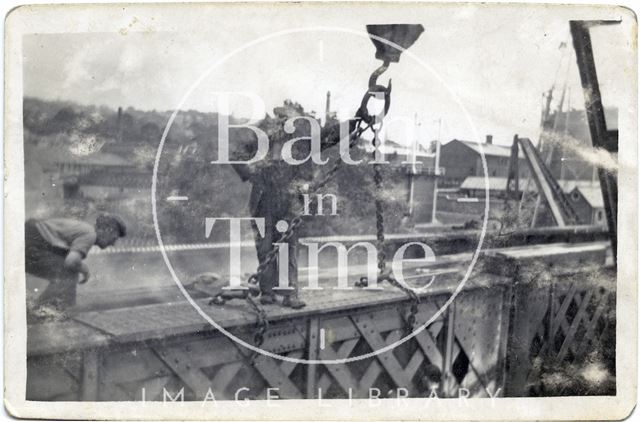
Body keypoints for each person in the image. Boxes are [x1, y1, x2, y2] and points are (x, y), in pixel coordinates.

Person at [232, 101, 354, 309]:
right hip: (264, 201)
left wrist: (355, 121)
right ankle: (267, 292)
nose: (283, 124)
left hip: (289, 202)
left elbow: (328, 137)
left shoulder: (301, 146)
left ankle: (290, 295)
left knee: (288, 248)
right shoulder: (260, 143)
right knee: (264, 247)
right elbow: (235, 156)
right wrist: (250, 174)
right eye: (279, 120)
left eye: (286, 120)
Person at [25, 214, 126, 310]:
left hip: (31, 238)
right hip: (32, 240)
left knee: (70, 273)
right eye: (114, 238)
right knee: (65, 274)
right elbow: (71, 261)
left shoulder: (86, 230)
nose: (113, 243)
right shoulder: (90, 234)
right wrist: (85, 270)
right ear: (108, 230)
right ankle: (39, 312)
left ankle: (66, 308)